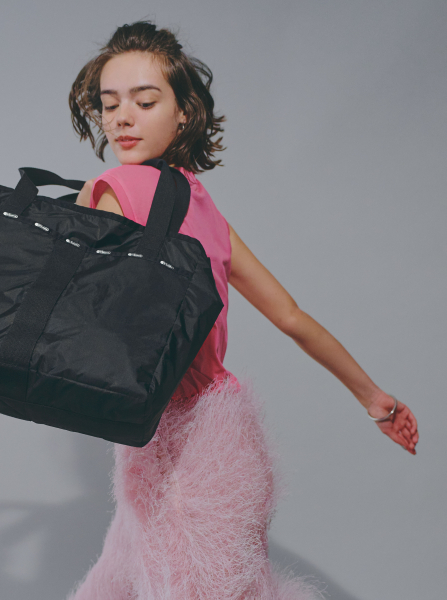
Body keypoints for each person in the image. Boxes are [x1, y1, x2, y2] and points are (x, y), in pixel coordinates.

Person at [65, 21, 419, 600]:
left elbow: (84, 322)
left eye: (144, 102)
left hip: (174, 450)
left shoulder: (111, 189)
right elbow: (291, 316)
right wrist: (374, 398)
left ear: (184, 112)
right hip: (227, 439)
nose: (122, 118)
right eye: (109, 104)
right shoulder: (202, 206)